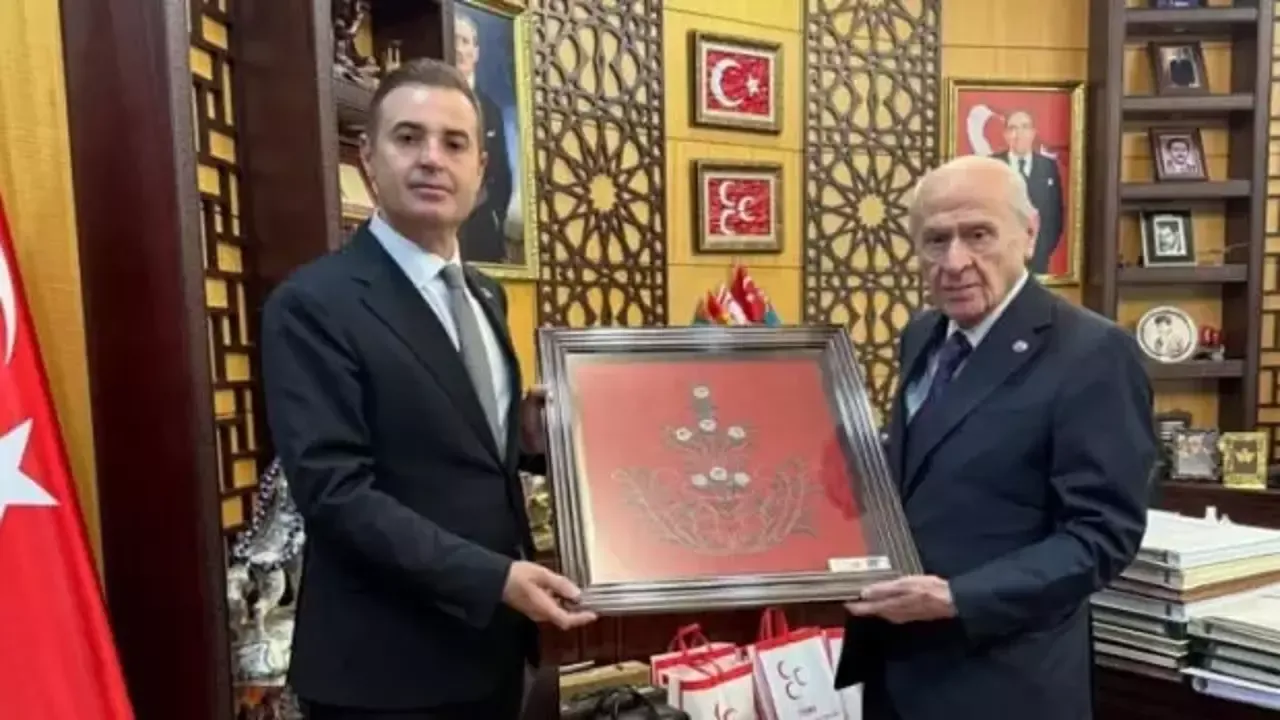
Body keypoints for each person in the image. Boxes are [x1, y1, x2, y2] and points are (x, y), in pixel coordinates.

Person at [260, 58, 596, 720]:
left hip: (492, 653)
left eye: (454, 142)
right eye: (408, 137)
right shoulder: (313, 304)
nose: (432, 159)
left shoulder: (485, 294)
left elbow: (461, 443)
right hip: (385, 672)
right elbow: (335, 493)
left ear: (481, 170)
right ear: (368, 157)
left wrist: (524, 436)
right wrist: (492, 578)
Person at [835, 155, 1156, 720]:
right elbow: (932, 468)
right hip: (896, 672)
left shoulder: (1093, 353)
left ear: (1029, 234)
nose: (954, 261)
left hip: (1003, 681)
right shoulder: (922, 334)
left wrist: (959, 598)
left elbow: (1102, 535)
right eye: (936, 240)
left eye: (978, 234)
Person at [453, 13, 515, 264]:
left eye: (465, 41)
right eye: (454, 40)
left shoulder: (492, 110)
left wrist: (491, 215)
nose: (459, 49)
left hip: (481, 229)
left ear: (476, 52)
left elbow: (502, 177)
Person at [990, 111, 1063, 274]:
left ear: (1033, 133)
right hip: (1001, 259)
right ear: (1005, 135)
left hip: (1039, 260)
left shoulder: (1048, 167)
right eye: (1013, 128)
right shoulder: (992, 165)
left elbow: (1056, 217)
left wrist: (1041, 250)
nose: (1019, 134)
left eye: (1025, 127)